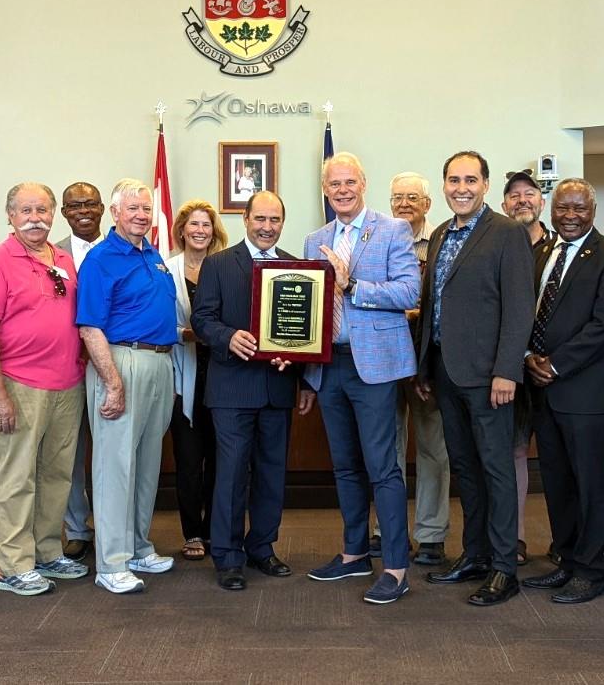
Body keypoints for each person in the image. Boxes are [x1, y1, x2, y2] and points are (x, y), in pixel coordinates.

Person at [416, 151, 534, 606]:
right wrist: (426, 366)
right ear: (443, 185)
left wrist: (508, 371)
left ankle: (504, 568)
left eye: (470, 179)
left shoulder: (506, 233)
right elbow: (433, 306)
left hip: (489, 377)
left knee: (496, 470)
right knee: (465, 468)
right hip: (447, 372)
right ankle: (475, 555)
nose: (460, 187)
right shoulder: (443, 232)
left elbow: (519, 307)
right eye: (452, 179)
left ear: (485, 185)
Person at [302, 152, 420, 605]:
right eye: (335, 184)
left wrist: (352, 286)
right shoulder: (315, 239)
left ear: (364, 183)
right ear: (325, 189)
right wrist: (301, 365)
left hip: (375, 366)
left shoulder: (393, 230)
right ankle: (353, 555)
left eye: (350, 182)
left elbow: (409, 292)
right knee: (345, 465)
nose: (343, 190)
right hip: (330, 364)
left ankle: (394, 566)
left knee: (382, 467)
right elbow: (310, 307)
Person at [519, 178, 604, 605]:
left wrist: (557, 363)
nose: (570, 216)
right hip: (543, 391)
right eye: (563, 208)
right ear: (551, 208)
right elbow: (527, 311)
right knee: (558, 482)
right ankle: (566, 560)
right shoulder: (541, 252)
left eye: (579, 209)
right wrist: (529, 354)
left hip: (589, 394)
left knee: (589, 484)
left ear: (593, 211)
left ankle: (592, 570)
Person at [0, 183, 89, 596]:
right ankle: (11, 565)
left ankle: (46, 551)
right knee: (15, 476)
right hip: (18, 385)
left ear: (53, 213)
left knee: (56, 475)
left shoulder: (62, 259)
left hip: (67, 385)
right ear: (10, 216)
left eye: (42, 209)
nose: (35, 217)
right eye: (26, 210)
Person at [190, 191, 310, 590]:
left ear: (282, 223)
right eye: (260, 218)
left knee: (272, 473)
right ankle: (227, 556)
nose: (267, 227)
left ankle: (262, 547)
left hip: (277, 387)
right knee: (230, 474)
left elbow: (305, 330)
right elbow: (203, 319)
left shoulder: (297, 268)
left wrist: (294, 358)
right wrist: (228, 337)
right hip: (231, 388)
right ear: (245, 219)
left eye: (275, 220)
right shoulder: (219, 264)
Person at [76, 178, 180, 595]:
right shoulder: (102, 258)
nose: (140, 215)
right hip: (120, 362)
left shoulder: (152, 254)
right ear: (115, 213)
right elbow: (90, 326)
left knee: (145, 465)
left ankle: (138, 547)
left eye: (145, 208)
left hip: (158, 362)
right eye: (132, 208)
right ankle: (112, 561)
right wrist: (113, 383)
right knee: (114, 467)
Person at [384, 171, 450, 566]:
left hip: (427, 361)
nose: (404, 204)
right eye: (397, 198)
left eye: (413, 197)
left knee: (432, 450)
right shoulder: (377, 240)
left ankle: (430, 534)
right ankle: (386, 529)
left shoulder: (442, 243)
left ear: (427, 204)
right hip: (385, 359)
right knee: (385, 449)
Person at [167, 200, 228, 561]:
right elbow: (157, 322)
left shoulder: (224, 268)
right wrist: (187, 334)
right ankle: (191, 532)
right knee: (189, 460)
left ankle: (212, 531)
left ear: (214, 231)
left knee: (222, 460)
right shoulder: (166, 269)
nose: (200, 231)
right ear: (182, 230)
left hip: (222, 376)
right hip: (181, 376)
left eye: (206, 225)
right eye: (194, 225)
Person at [500, 169, 556, 565]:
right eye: (514, 196)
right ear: (504, 205)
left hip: (556, 370)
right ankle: (515, 539)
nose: (522, 200)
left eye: (529, 193)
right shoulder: (500, 245)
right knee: (515, 452)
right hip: (514, 369)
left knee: (558, 456)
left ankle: (564, 540)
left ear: (541, 201)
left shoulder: (562, 247)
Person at [56, 181, 104, 562]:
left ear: (103, 208)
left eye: (90, 203)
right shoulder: (50, 255)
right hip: (67, 368)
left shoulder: (121, 250)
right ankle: (76, 529)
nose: (83, 210)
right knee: (69, 454)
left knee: (108, 452)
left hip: (108, 367)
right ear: (64, 212)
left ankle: (110, 526)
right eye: (75, 205)